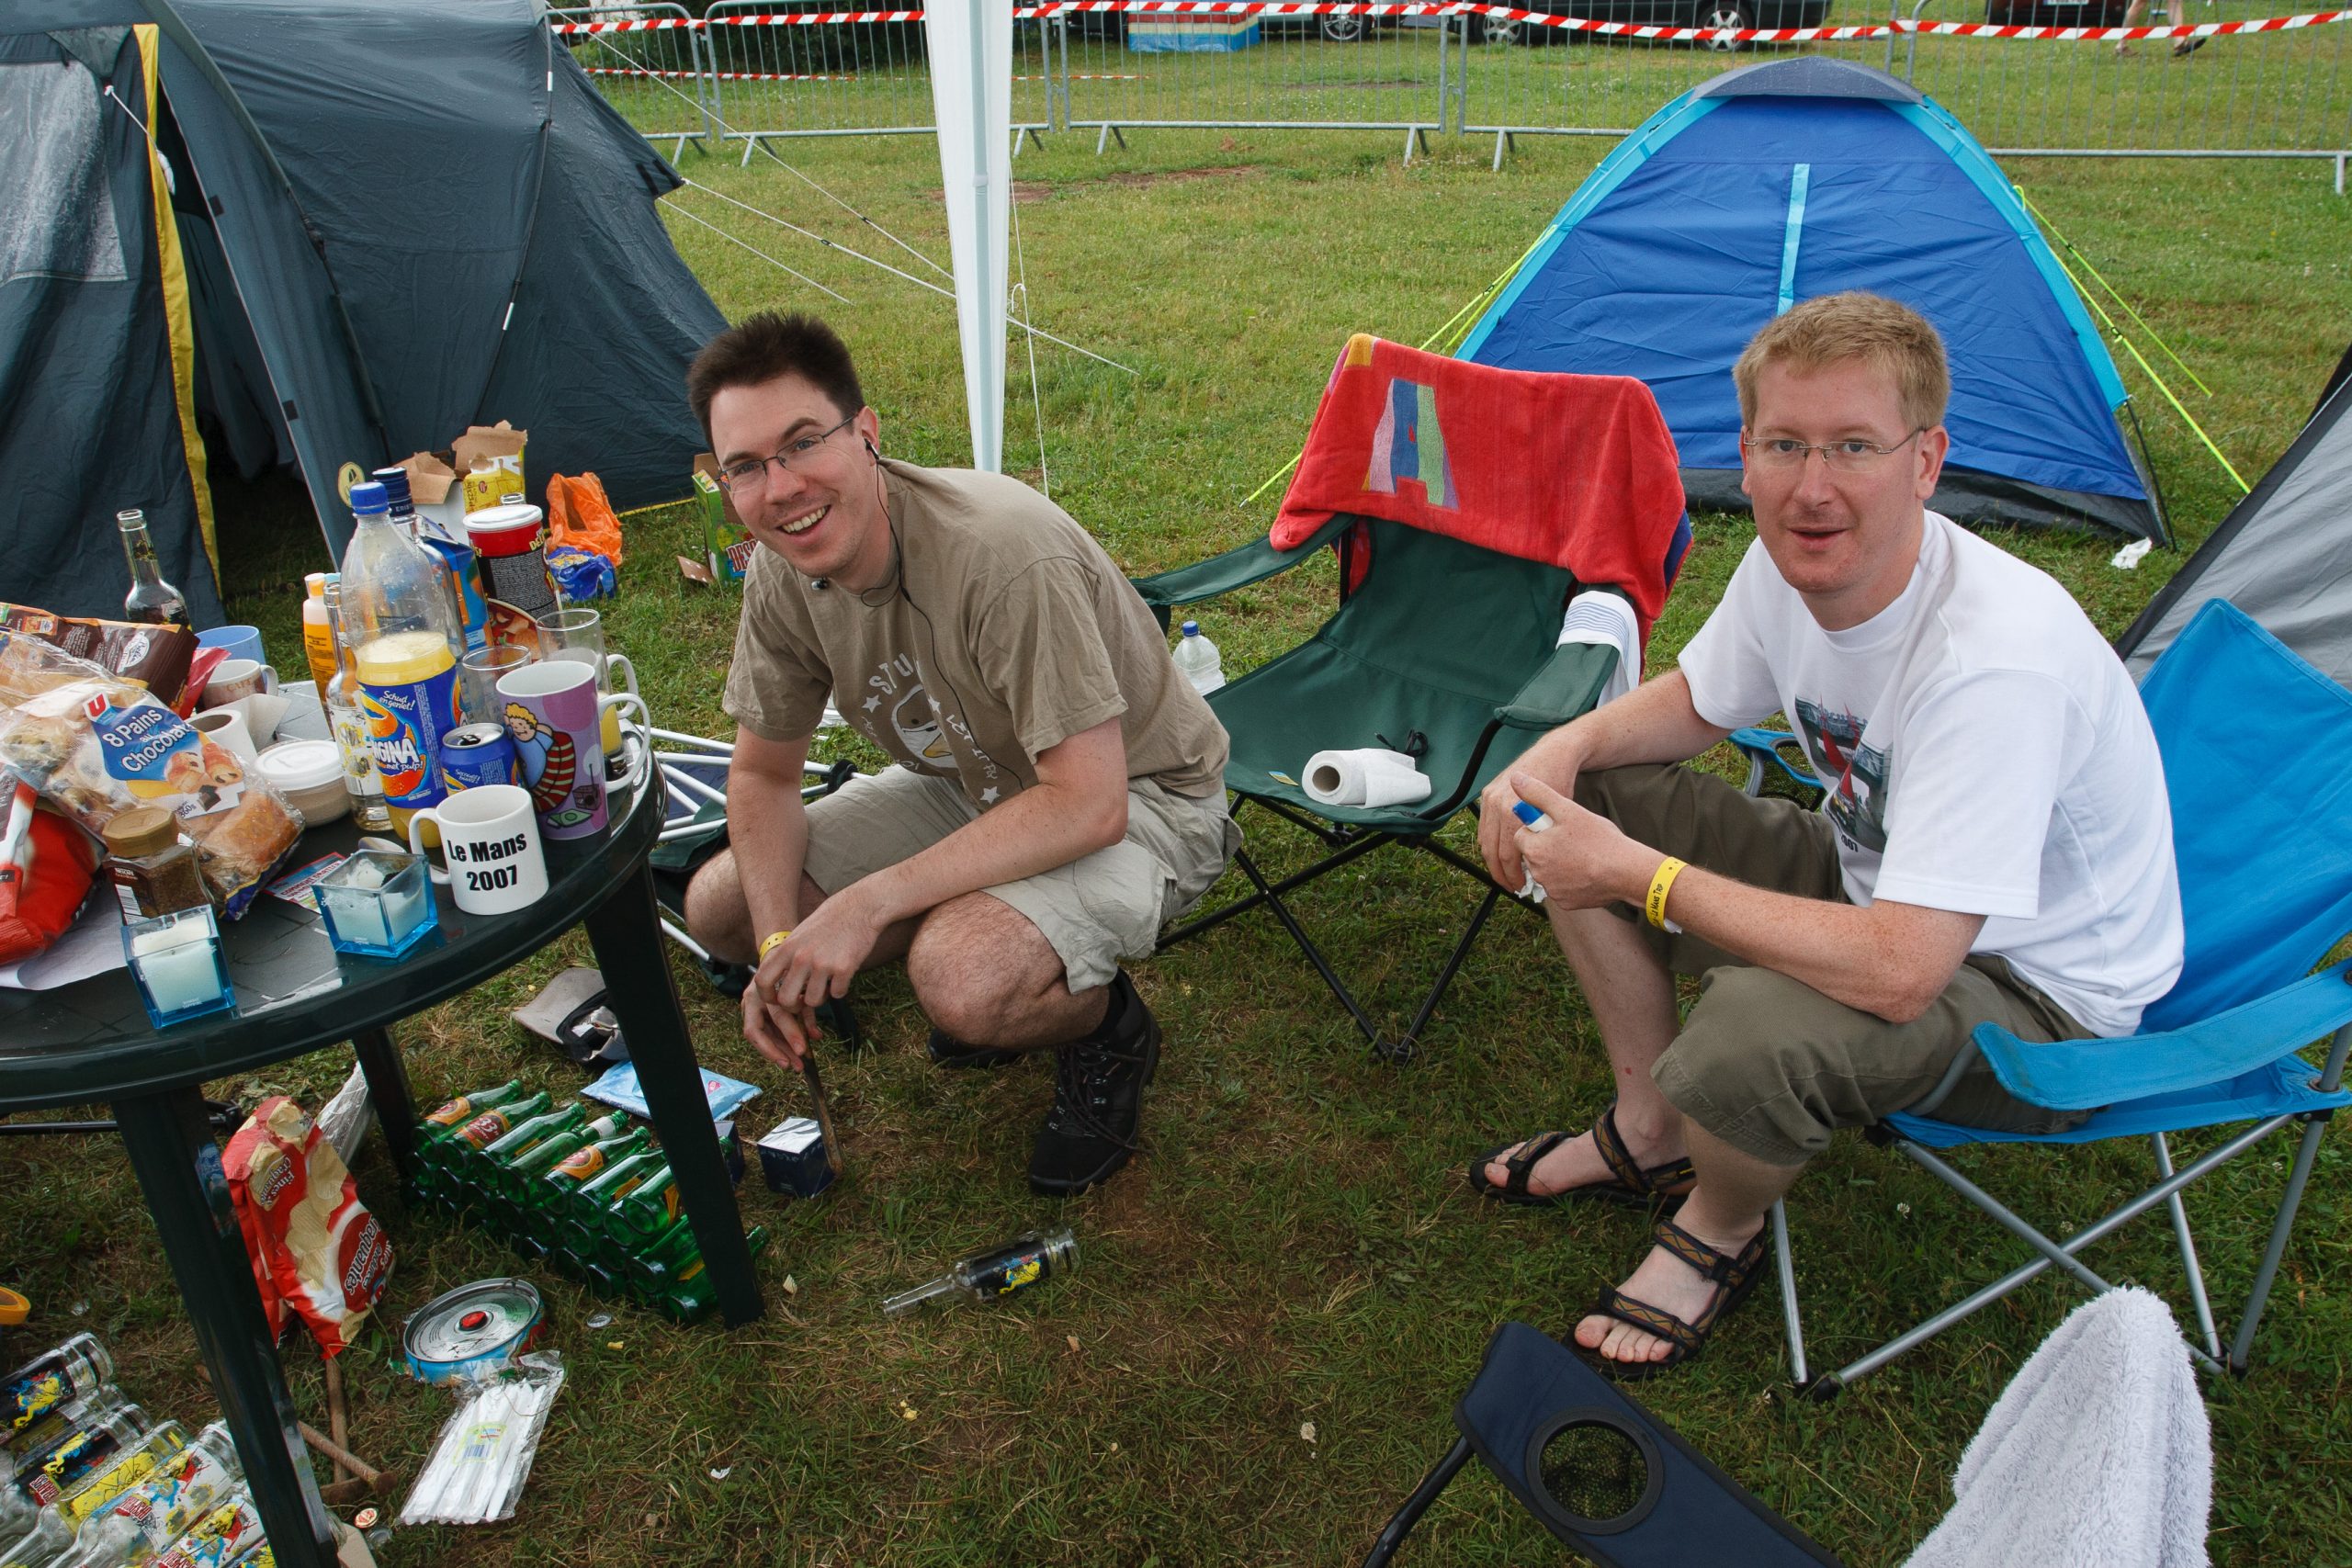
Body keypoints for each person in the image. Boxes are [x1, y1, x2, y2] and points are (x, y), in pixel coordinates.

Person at [1467, 292, 2183, 1374]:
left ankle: (1717, 1228)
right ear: (1745, 455)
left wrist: (1641, 877)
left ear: (1925, 462)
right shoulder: (1791, 561)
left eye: (1853, 446)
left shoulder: (1993, 663)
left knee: (1747, 1032)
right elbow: (1699, 700)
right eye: (1784, 445)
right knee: (1579, 798)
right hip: (1880, 875)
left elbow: (1901, 972)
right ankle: (1649, 1127)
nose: (1812, 487)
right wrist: (1559, 750)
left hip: (2033, 990)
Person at [681, 312, 1237, 1196]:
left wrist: (869, 903)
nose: (780, 489)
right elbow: (762, 774)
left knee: (963, 978)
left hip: (1144, 794)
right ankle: (963, 923)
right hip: (974, 779)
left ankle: (1111, 1029)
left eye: (802, 444)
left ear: (866, 433)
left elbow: (1089, 803)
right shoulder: (784, 569)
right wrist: (783, 944)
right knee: (723, 905)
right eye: (745, 466)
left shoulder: (1000, 557)